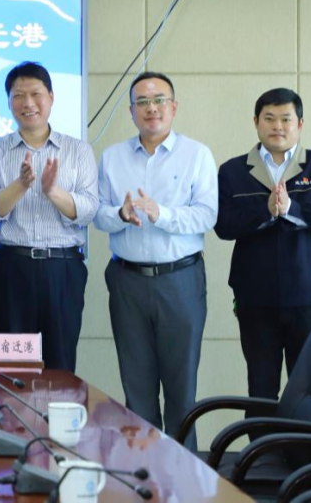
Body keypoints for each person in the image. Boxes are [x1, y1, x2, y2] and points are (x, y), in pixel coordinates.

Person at [93, 72, 217, 449]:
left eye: (159, 100)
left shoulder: (197, 154)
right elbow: (98, 215)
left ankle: (183, 473)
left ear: (173, 107)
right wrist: (121, 214)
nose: (152, 108)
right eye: (142, 102)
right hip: (127, 280)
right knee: (137, 389)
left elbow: (207, 215)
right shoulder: (112, 157)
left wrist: (161, 214)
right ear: (131, 111)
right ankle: (143, 471)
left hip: (180, 281)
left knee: (181, 390)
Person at [215, 88, 311, 401]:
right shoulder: (233, 171)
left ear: (299, 124)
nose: (277, 126)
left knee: (310, 391)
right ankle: (262, 437)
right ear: (256, 122)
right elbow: (223, 224)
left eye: (286, 119)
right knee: (260, 390)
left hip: (309, 295)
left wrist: (291, 209)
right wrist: (265, 211)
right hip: (255, 298)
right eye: (269, 118)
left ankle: (304, 438)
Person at [0, 62, 98, 371]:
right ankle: (14, 406)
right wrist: (21, 185)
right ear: (8, 102)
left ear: (51, 97)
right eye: (18, 95)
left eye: (35, 94)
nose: (27, 103)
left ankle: (58, 406)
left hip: (63, 268)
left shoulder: (78, 150)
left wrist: (52, 191)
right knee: (14, 365)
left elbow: (88, 210)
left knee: (60, 363)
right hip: (11, 267)